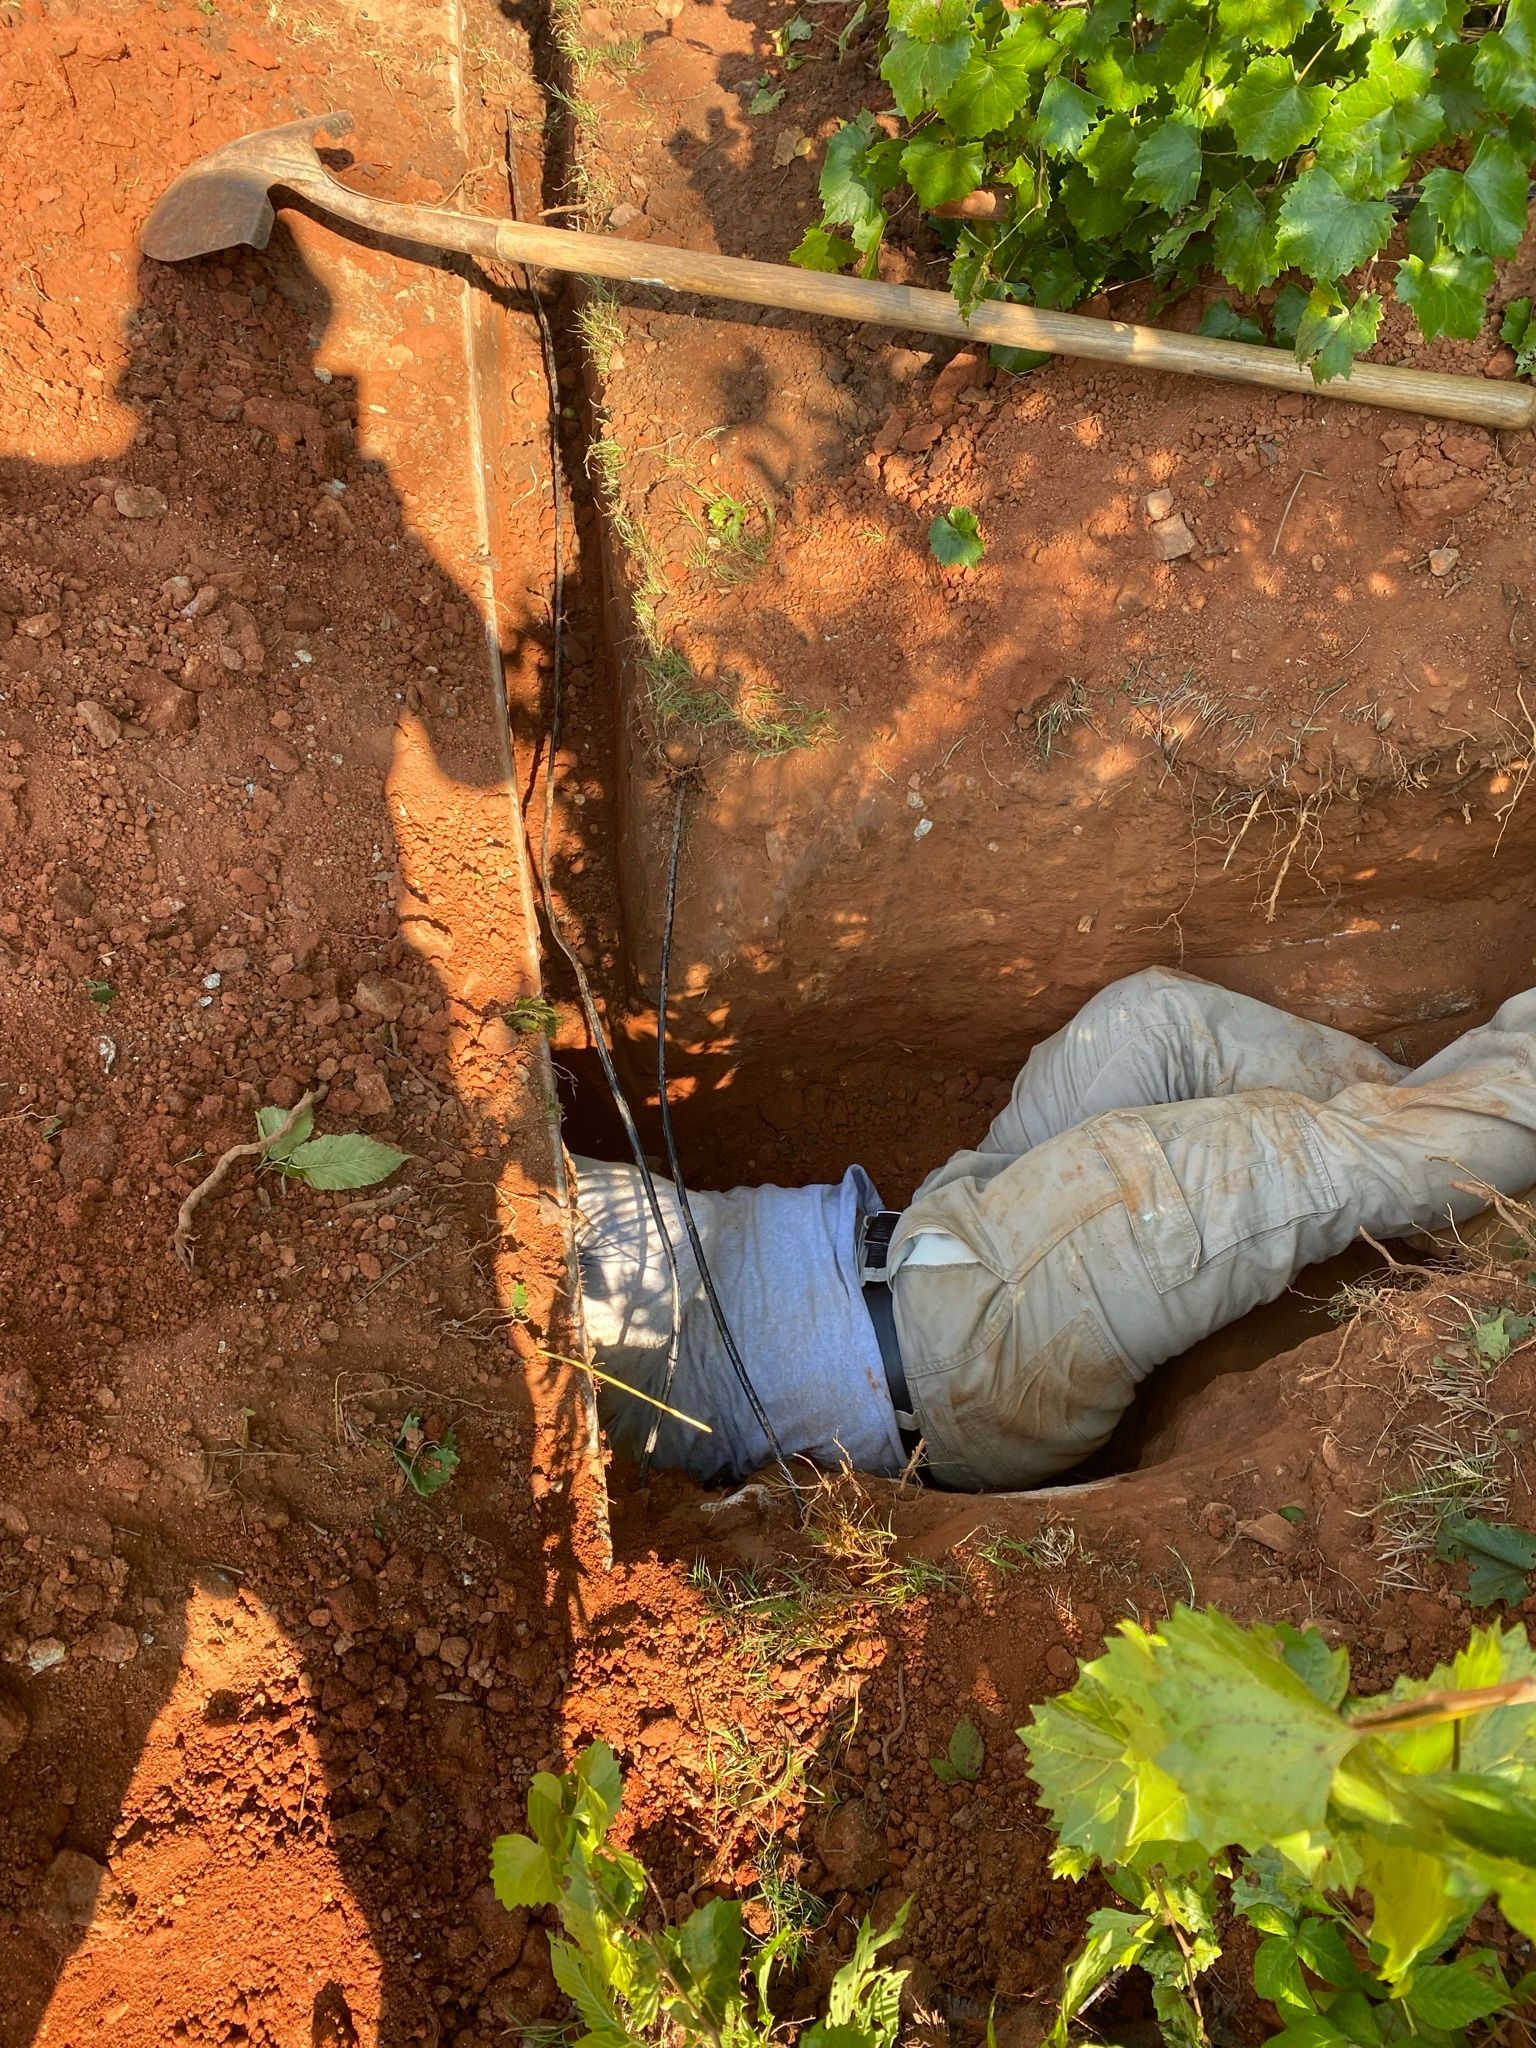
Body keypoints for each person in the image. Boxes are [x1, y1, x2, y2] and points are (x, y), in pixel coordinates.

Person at [573, 969, 1536, 1492]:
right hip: (967, 1353)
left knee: (1147, 1024)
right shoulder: (519, 1328)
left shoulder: (512, 1194)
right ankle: (1463, 1143)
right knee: (1271, 1159)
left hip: (938, 1228)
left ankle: (1465, 1173)